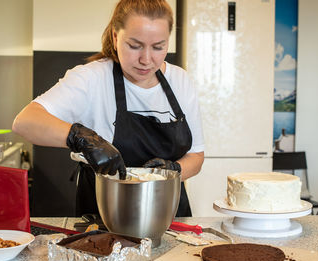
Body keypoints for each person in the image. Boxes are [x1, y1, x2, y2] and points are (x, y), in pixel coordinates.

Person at [12, 0, 204, 217]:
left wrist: (172, 172)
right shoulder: (91, 78)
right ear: (115, 36)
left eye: (158, 47)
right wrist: (82, 138)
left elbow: (196, 156)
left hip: (167, 213)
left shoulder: (180, 80)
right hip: (104, 215)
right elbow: (24, 122)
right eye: (135, 45)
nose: (146, 59)